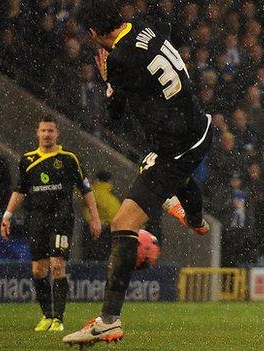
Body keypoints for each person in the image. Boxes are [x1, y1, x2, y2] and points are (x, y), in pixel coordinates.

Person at [64, 1, 212, 346]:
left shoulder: (118, 59)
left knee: (123, 223)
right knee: (162, 170)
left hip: (175, 149)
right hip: (199, 128)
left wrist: (107, 80)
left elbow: (114, 113)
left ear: (92, 34)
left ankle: (109, 321)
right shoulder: (146, 28)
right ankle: (194, 217)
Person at [0, 115, 102, 332]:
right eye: (43, 131)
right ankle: (46, 315)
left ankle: (58, 318)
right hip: (36, 219)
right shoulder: (27, 160)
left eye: (51, 131)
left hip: (62, 218)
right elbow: (19, 191)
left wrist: (95, 217)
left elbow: (86, 189)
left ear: (57, 133)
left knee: (57, 266)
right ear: (37, 132)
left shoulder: (68, 159)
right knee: (38, 269)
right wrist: (7, 216)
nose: (47, 134)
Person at [81, 170, 121, 260]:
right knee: (103, 260)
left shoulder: (92, 191)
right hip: (105, 231)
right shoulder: (109, 195)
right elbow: (113, 213)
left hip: (94, 230)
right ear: (110, 181)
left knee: (91, 259)